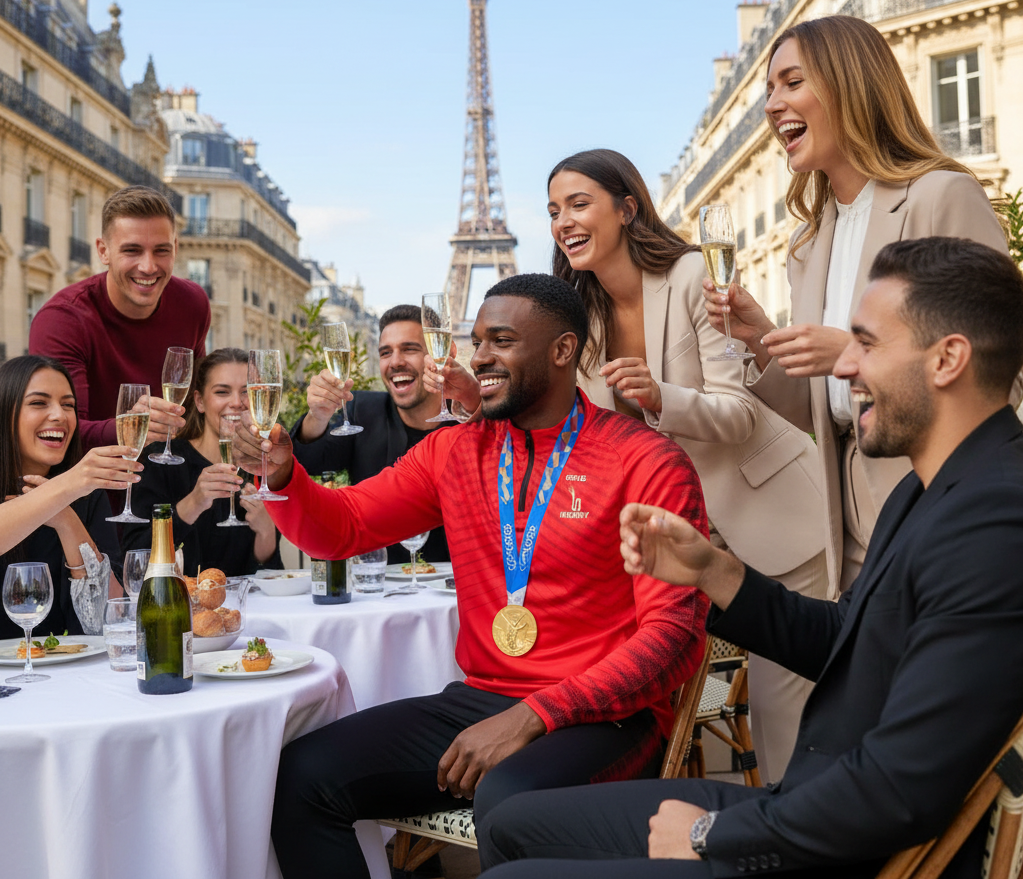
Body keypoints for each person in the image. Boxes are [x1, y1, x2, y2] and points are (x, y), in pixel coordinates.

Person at [477, 237, 1023, 879]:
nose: (844, 367)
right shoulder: (932, 489)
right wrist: (714, 570)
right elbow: (845, 642)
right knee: (513, 823)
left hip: (835, 848)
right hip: (810, 810)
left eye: (867, 344)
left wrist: (713, 833)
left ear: (948, 359)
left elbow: (899, 788)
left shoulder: (995, 521)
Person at [231, 273, 710, 879]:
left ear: (562, 350)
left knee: (508, 800)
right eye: (478, 340)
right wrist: (282, 476)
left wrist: (536, 716)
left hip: (606, 716)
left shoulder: (646, 460)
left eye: (501, 340)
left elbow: (674, 640)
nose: (478, 357)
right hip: (483, 699)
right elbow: (342, 527)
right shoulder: (454, 451)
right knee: (300, 778)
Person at [704, 15, 1014, 596]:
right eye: (770, 90)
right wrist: (761, 337)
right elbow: (827, 412)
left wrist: (852, 350)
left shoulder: (939, 197)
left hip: (936, 509)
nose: (773, 105)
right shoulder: (809, 243)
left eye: (792, 83)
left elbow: (1001, 370)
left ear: (849, 84)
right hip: (841, 526)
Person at [548, 147, 827, 782]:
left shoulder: (695, 275)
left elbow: (740, 412)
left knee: (788, 719)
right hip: (679, 541)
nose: (563, 221)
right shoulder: (579, 315)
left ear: (628, 208)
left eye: (579, 203)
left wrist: (658, 397)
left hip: (769, 518)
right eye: (553, 210)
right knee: (660, 703)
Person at [29, 185, 210, 451]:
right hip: (92, 486)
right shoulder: (62, 320)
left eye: (161, 250)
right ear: (103, 251)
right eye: (132, 251)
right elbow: (60, 431)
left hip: (169, 480)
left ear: (175, 248)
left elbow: (196, 405)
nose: (148, 267)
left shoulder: (193, 303)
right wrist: (130, 427)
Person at [291, 304, 461, 563]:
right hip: (378, 591)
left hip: (453, 589)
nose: (395, 362)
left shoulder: (469, 423)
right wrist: (318, 415)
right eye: (385, 352)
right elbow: (307, 462)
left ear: (442, 354)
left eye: (409, 349)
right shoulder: (362, 410)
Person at [0, 355, 141, 637]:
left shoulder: (85, 495)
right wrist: (64, 488)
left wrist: (66, 521)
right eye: (39, 403)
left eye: (68, 405)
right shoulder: (74, 485)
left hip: (63, 673)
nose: (60, 416)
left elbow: (110, 619)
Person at [121, 348, 282, 576]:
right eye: (222, 392)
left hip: (245, 609)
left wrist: (267, 531)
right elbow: (135, 561)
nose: (237, 402)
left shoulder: (262, 470)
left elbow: (270, 579)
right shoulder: (161, 462)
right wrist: (194, 503)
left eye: (247, 391)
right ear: (200, 401)